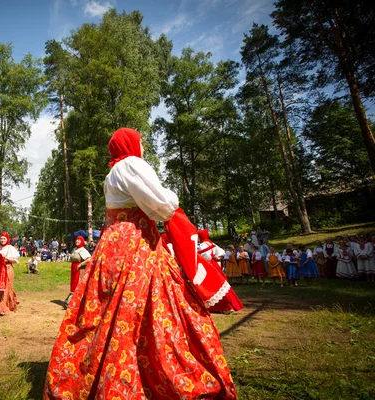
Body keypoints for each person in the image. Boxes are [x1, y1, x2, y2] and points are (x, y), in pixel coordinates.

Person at [44, 128, 236, 399]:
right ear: (130, 144)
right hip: (136, 245)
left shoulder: (111, 174)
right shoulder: (131, 165)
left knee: (110, 309)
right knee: (151, 306)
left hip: (112, 245)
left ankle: (103, 372)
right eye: (140, 141)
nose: (143, 146)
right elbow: (162, 206)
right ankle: (153, 372)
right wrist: (172, 198)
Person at [197, 230, 244, 313]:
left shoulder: (202, 245)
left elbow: (206, 256)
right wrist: (216, 257)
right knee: (220, 284)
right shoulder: (211, 243)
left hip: (208, 266)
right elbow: (221, 252)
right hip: (214, 265)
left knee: (211, 286)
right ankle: (229, 304)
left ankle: (223, 306)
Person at [0, 232, 20, 317]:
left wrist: (5, 258)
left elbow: (16, 261)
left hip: (7, 268)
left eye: (4, 238)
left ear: (7, 239)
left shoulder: (10, 248)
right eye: (1, 238)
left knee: (6, 287)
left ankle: (3, 308)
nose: (2, 240)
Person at [64, 235, 92, 306]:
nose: (77, 241)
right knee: (73, 284)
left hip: (79, 269)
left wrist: (81, 264)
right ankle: (72, 300)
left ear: (82, 241)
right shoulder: (75, 249)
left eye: (79, 240)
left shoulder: (83, 250)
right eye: (76, 240)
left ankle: (76, 301)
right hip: (73, 268)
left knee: (77, 284)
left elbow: (89, 259)